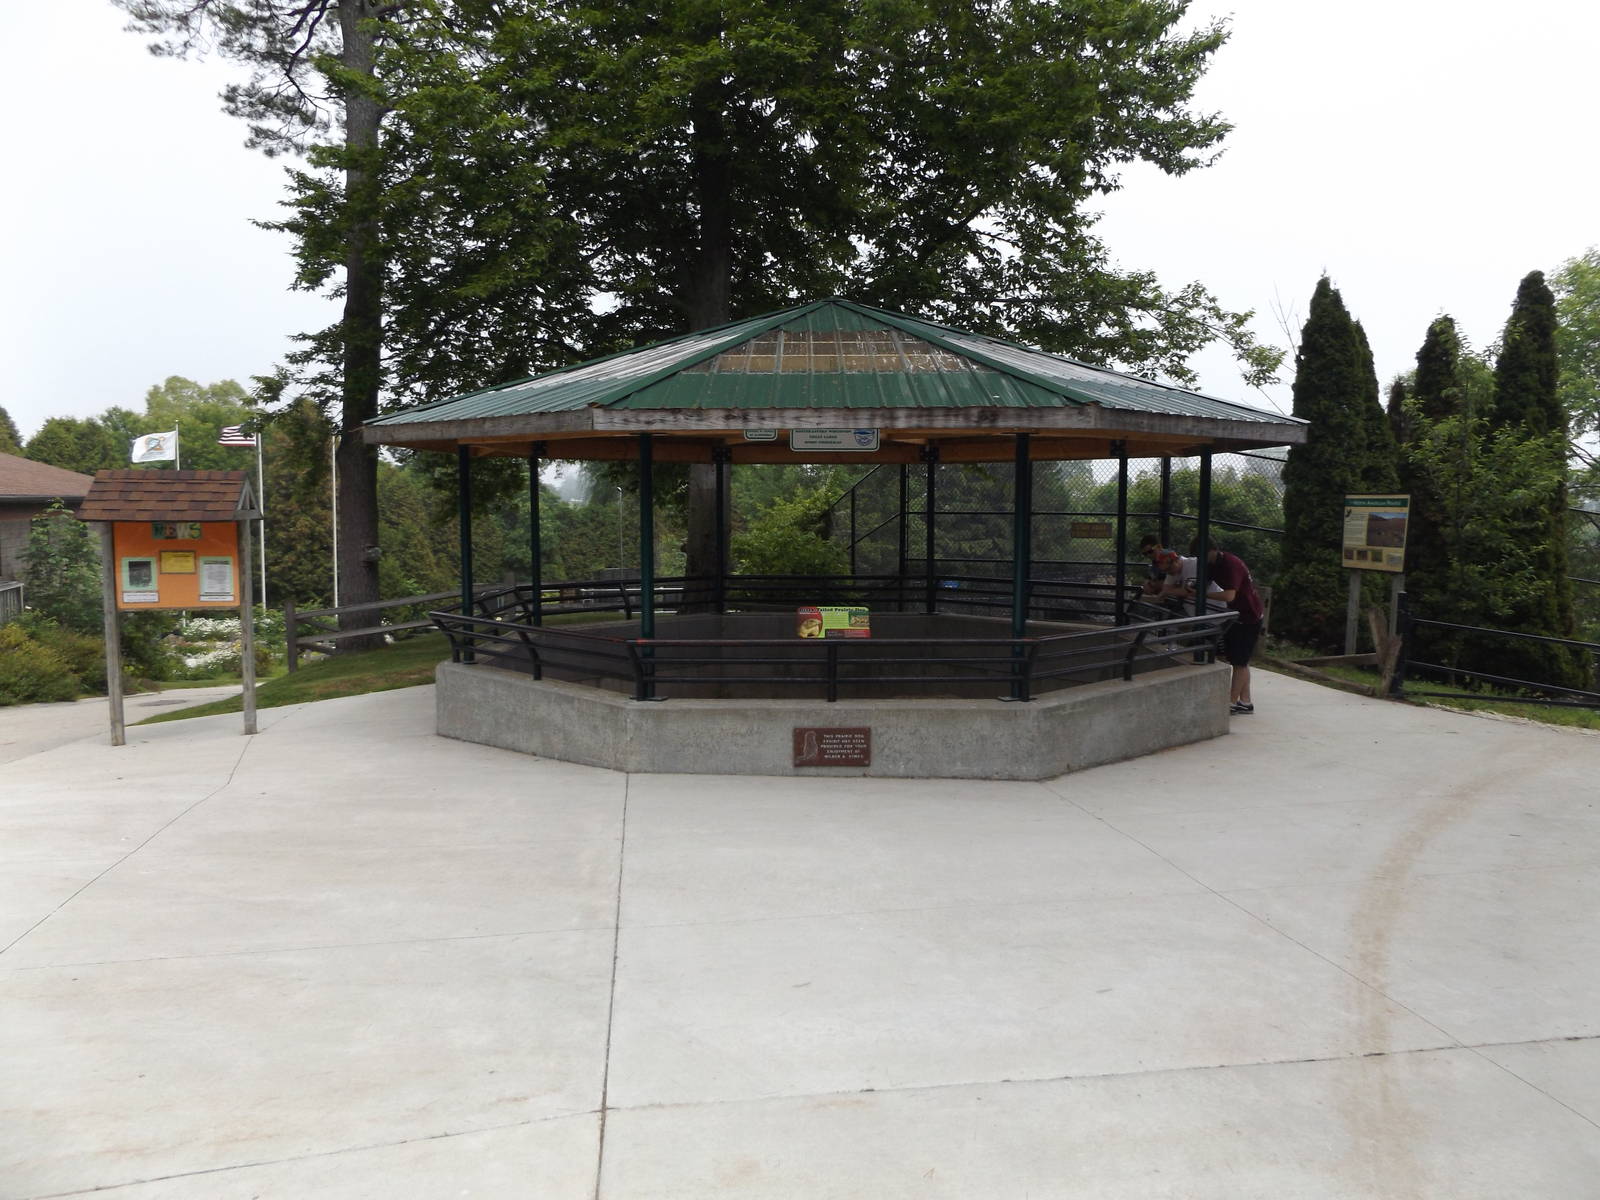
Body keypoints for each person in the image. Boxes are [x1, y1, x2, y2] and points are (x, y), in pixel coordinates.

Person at [1184, 540, 1264, 715]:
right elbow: (1203, 582)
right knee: (1240, 660)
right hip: (1236, 614)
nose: (1201, 560)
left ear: (1213, 550)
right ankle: (1245, 702)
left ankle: (1231, 702)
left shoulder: (1230, 564)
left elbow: (1229, 595)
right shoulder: (1212, 563)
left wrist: (1201, 594)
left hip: (1249, 616)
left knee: (1239, 662)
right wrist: (1193, 588)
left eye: (1202, 556)